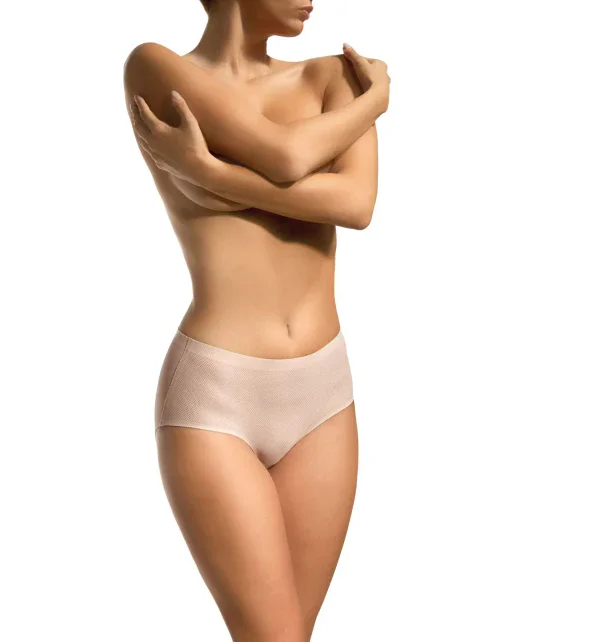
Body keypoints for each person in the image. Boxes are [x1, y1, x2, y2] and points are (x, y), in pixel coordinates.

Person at [123, 1, 390, 640]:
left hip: (324, 393)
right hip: (217, 395)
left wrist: (211, 173)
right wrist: (377, 102)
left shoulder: (333, 77)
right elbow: (287, 157)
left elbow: (356, 204)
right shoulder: (154, 68)